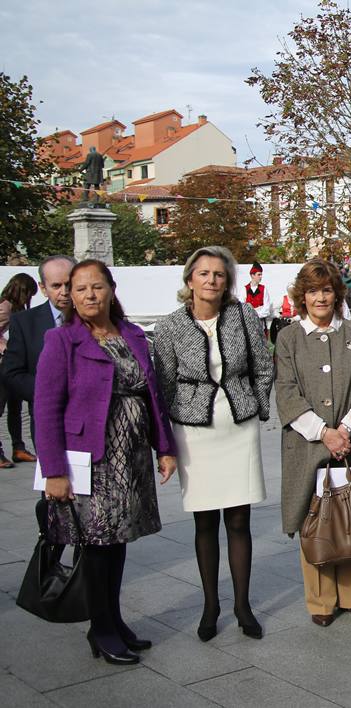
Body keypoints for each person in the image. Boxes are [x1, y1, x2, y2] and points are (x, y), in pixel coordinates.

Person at [36, 260, 177, 664]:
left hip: (130, 458)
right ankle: (100, 629)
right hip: (90, 461)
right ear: (69, 297)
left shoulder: (131, 334)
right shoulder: (61, 341)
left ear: (112, 289)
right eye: (79, 290)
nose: (88, 296)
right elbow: (46, 410)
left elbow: (153, 397)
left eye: (96, 287)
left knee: (118, 543)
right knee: (97, 546)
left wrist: (163, 447)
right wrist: (54, 472)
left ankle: (114, 618)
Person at [153, 246, 273, 642]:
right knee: (204, 521)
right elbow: (164, 382)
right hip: (194, 430)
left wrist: (257, 405)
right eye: (203, 273)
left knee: (239, 520)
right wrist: (168, 437)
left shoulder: (245, 316)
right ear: (190, 280)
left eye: (219, 275)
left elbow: (263, 365)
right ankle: (210, 605)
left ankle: (242, 605)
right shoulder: (170, 326)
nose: (211, 281)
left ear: (228, 282)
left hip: (238, 424)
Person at [275, 259, 351, 626]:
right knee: (315, 520)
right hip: (308, 445)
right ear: (302, 297)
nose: (320, 297)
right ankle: (320, 601)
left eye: (326, 290)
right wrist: (324, 433)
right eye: (313, 291)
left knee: (350, 516)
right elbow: (286, 392)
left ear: (337, 294)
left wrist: (346, 430)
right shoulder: (288, 338)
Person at [2, 255, 75, 443]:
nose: (64, 292)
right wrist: (46, 392)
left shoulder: (95, 319)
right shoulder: (25, 322)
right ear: (43, 288)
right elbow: (12, 372)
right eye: (56, 286)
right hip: (47, 421)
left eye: (69, 284)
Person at [0, 273, 39, 467]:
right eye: (29, 293)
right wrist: (7, 347)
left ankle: (18, 448)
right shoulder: (5, 307)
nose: (29, 298)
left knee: (15, 408)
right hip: (3, 365)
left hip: (14, 365)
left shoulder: (17, 308)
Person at [243, 261, 272, 337]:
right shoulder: (244, 289)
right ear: (252, 275)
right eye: (259, 275)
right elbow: (242, 307)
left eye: (261, 274)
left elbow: (267, 308)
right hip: (248, 323)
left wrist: (256, 314)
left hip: (260, 322)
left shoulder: (263, 289)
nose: (260, 277)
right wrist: (252, 314)